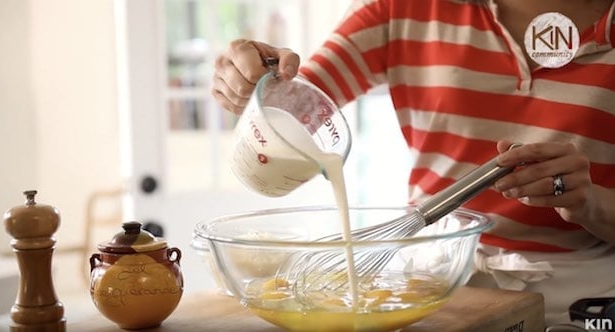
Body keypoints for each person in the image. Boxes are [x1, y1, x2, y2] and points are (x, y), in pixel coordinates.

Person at [212, 0, 615, 326]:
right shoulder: (407, 7)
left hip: (579, 302)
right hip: (438, 282)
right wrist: (255, 80)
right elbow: (300, 102)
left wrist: (590, 205)